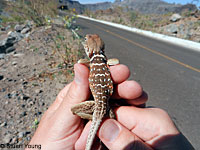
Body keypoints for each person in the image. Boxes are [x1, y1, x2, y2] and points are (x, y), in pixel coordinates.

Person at [26, 64, 194, 150]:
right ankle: (98, 119)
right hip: (105, 107)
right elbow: (113, 63)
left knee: (74, 110)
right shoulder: (105, 62)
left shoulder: (90, 62)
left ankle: (93, 119)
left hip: (98, 107)